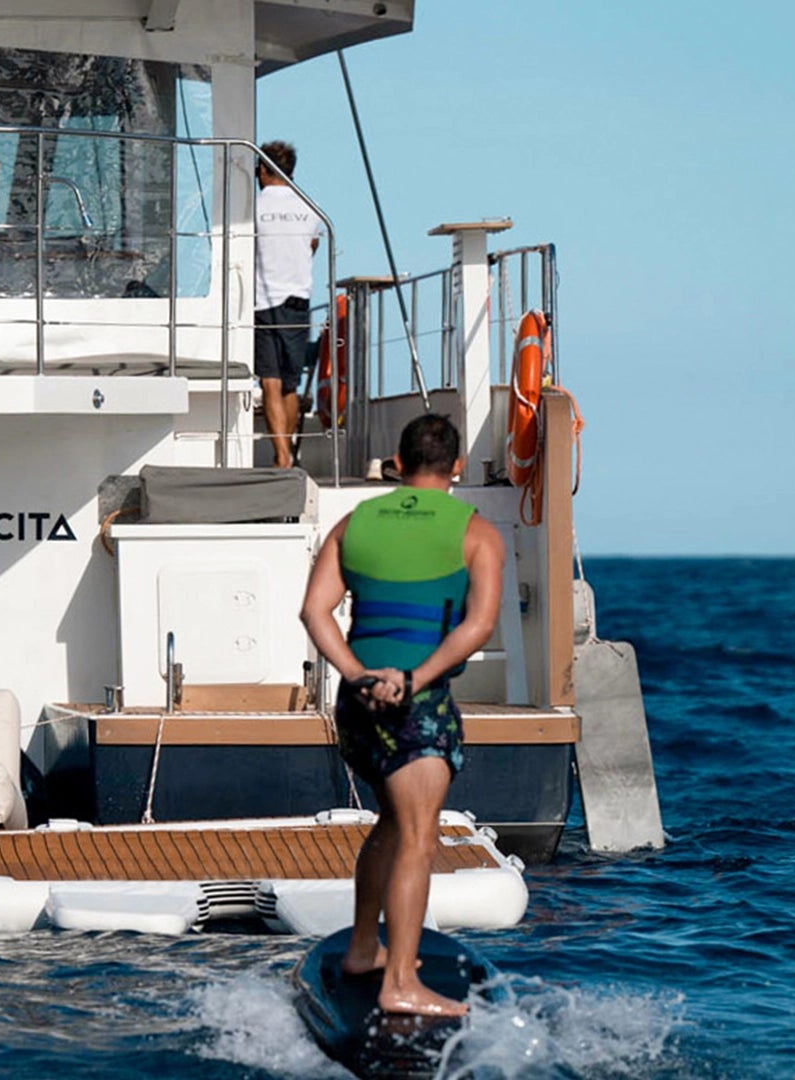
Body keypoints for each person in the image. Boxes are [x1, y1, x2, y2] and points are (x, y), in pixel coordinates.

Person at [299, 414, 504, 1017]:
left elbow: (315, 612)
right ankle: (401, 987)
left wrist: (357, 674)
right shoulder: (476, 532)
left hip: (358, 705)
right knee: (419, 837)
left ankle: (366, 950)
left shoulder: (353, 523)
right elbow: (478, 625)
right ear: (456, 467)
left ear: (398, 460)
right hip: (418, 704)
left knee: (390, 823)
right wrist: (412, 680)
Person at [253, 140, 323, 470]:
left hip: (265, 301)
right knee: (291, 383)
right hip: (299, 299)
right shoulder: (309, 207)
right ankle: (289, 453)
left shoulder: (254, 207)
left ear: (264, 169)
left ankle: (281, 456)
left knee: (270, 380)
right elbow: (312, 245)